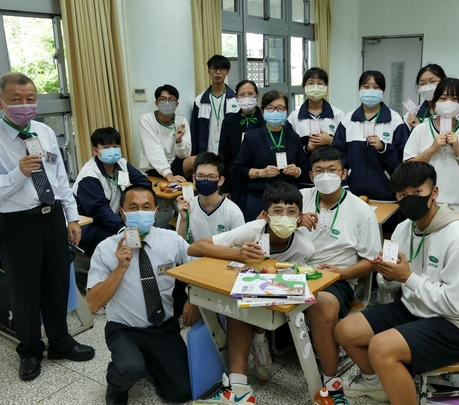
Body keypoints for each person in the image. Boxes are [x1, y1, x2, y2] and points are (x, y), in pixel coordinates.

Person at [334, 162, 459, 405]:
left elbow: (457, 306)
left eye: (417, 192)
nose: (409, 199)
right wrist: (387, 275)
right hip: (416, 307)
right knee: (345, 330)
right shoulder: (402, 229)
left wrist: (407, 277)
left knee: (381, 347)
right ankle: (375, 383)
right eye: (402, 195)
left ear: (434, 192)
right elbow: (390, 288)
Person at [0, 73, 95, 381]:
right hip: (18, 223)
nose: (24, 105)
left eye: (30, 99)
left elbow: (59, 177)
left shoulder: (43, 131)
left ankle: (60, 342)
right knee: (24, 291)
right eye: (16, 100)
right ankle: (29, 351)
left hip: (52, 216)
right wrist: (18, 173)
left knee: (57, 282)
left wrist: (72, 217)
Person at [188, 182, 315, 404]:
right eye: (277, 211)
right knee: (238, 305)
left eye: (291, 211)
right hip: (246, 294)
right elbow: (195, 247)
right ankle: (240, 385)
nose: (284, 217)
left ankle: (259, 340)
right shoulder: (253, 229)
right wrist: (237, 253)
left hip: (278, 303)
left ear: (300, 217)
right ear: (265, 215)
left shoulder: (305, 248)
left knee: (249, 303)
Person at [86, 185, 192, 404]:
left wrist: (194, 300)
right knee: (129, 368)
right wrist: (120, 268)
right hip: (125, 329)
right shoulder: (106, 249)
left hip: (163, 327)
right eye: (133, 208)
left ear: (156, 212)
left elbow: (197, 268)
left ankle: (150, 360)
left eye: (146, 207)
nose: (140, 212)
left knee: (182, 393)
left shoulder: (171, 241)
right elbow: (94, 304)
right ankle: (116, 382)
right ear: (122, 212)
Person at [299, 146, 381, 404]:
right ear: (311, 175)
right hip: (294, 269)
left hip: (336, 278)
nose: (325, 176)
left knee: (323, 304)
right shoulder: (299, 198)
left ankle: (330, 382)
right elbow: (266, 222)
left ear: (344, 174)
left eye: (332, 170)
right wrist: (294, 220)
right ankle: (260, 344)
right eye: (319, 171)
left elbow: (372, 261)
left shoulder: (360, 210)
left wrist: (343, 273)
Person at [403, 78, 459, 213]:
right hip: (424, 202)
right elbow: (407, 168)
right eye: (443, 98)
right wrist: (432, 150)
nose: (448, 103)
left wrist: (458, 151)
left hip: (457, 205)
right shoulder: (420, 129)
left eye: (454, 99)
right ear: (435, 101)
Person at [73, 127, 152, 256]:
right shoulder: (89, 175)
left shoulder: (122, 163)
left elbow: (144, 182)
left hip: (115, 220)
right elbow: (99, 211)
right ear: (95, 151)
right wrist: (122, 228)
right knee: (120, 246)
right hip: (92, 227)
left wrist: (134, 189)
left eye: (115, 146)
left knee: (148, 236)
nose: (112, 150)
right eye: (106, 147)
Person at [231, 90, 308, 221]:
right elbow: (238, 170)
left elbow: (305, 168)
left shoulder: (294, 137)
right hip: (259, 197)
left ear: (286, 111)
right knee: (258, 232)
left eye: (280, 108)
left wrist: (297, 171)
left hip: (289, 200)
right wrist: (261, 173)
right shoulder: (251, 138)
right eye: (270, 108)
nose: (275, 111)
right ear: (263, 111)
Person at [333, 70, 408, 201]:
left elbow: (403, 162)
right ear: (359, 89)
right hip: (352, 195)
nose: (370, 91)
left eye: (376, 87)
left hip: (387, 195)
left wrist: (384, 148)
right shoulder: (348, 120)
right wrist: (344, 185)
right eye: (366, 87)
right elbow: (337, 156)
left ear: (382, 91)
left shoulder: (395, 120)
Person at [176, 152, 245, 245]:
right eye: (200, 176)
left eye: (211, 177)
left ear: (221, 180)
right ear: (194, 179)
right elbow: (179, 245)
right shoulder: (187, 206)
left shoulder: (233, 212)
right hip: (193, 254)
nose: (205, 180)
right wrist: (184, 220)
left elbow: (240, 248)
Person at [219, 79, 265, 211]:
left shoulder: (266, 120)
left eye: (250, 94)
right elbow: (223, 156)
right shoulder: (229, 122)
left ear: (257, 96)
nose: (246, 98)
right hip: (237, 182)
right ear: (236, 98)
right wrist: (224, 187)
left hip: (261, 182)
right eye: (242, 95)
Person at [139, 84, 194, 183]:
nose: (167, 103)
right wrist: (169, 175)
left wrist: (179, 141)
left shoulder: (181, 121)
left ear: (177, 104)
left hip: (174, 164)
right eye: (163, 99)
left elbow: (185, 155)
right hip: (154, 168)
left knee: (198, 161)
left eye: (171, 99)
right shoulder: (147, 119)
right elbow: (154, 149)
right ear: (156, 103)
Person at [286, 67, 345, 157]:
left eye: (320, 83)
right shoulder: (294, 117)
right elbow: (289, 148)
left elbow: (346, 146)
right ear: (304, 87)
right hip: (305, 165)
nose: (315, 87)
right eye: (311, 83)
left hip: (331, 164)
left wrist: (331, 141)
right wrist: (307, 148)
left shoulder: (338, 115)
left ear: (326, 87)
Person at [404, 64, 459, 130]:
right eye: (422, 84)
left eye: (432, 81)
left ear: (444, 80)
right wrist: (415, 129)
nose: (427, 87)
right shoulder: (413, 114)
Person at [191, 55, 239, 154]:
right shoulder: (199, 100)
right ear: (209, 71)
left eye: (222, 69)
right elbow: (194, 131)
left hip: (230, 152)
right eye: (214, 68)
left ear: (227, 72)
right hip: (207, 152)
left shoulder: (236, 99)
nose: (218, 72)